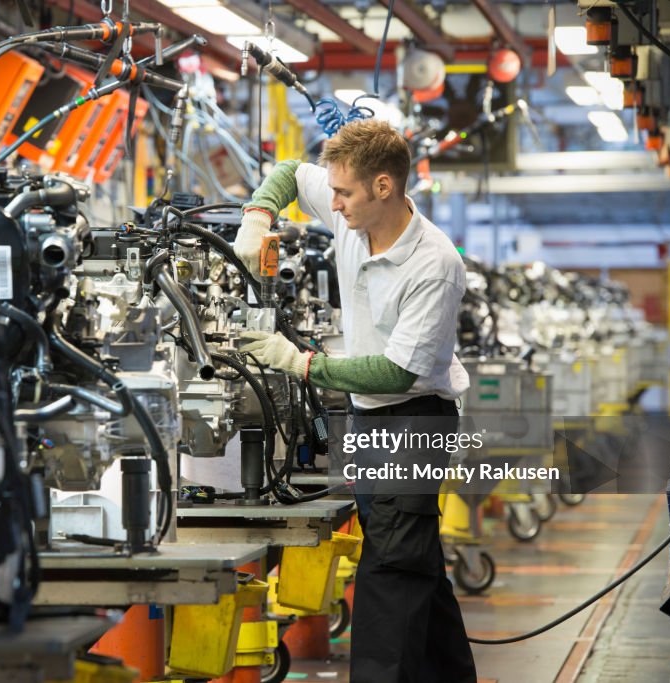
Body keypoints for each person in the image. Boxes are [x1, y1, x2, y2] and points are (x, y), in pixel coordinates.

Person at [235, 119, 476, 683]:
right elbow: (293, 173)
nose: (334, 203)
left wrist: (301, 363)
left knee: (390, 570)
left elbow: (394, 372)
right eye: (335, 191)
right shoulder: (353, 214)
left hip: (412, 423)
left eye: (344, 193)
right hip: (370, 418)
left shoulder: (434, 265)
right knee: (414, 563)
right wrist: (258, 215)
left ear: (384, 187)